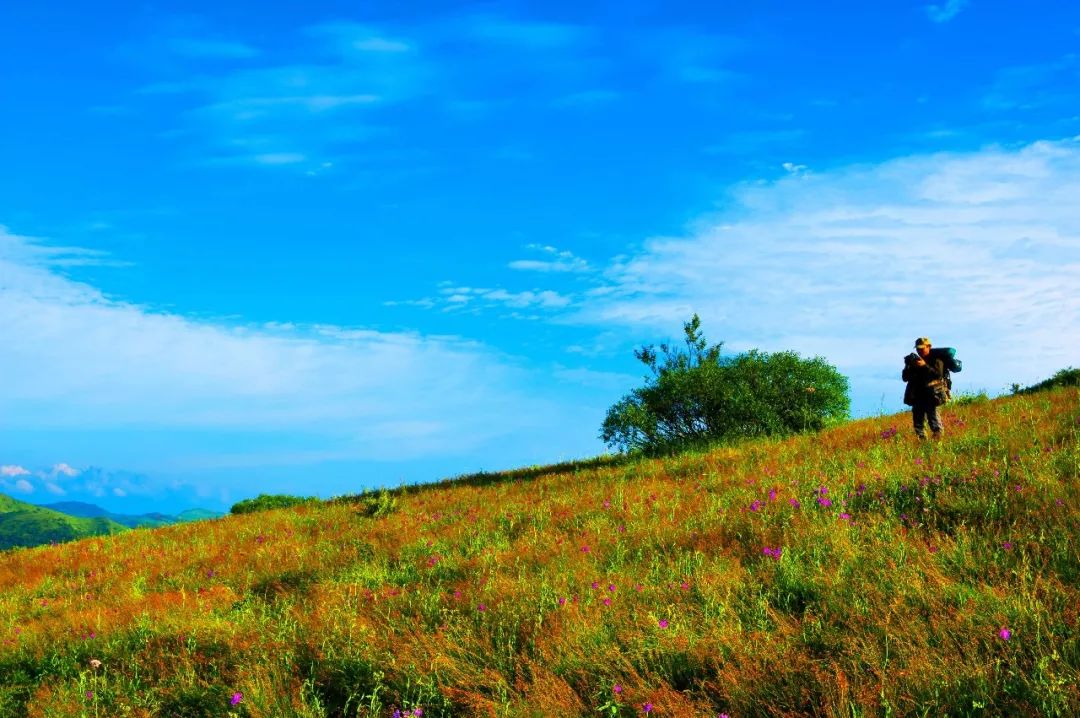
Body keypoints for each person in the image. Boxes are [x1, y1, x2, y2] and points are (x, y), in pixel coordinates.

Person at [902, 337, 946, 439]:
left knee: (934, 422)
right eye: (918, 349)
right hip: (917, 396)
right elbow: (905, 378)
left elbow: (938, 375)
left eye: (922, 348)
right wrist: (908, 366)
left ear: (929, 347)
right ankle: (922, 443)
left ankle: (938, 444)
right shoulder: (914, 361)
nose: (919, 350)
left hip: (932, 396)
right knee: (918, 424)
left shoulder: (936, 360)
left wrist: (924, 365)